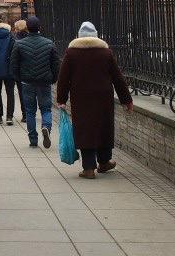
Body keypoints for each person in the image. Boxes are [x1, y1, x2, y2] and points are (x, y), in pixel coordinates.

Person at [56, 21, 134, 179]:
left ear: (79, 36)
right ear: (96, 35)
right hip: (103, 97)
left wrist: (61, 99)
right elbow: (117, 78)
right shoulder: (106, 53)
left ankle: (89, 168)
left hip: (81, 98)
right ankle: (104, 162)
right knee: (103, 127)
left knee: (85, 129)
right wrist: (127, 99)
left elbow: (63, 78)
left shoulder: (71, 53)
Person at [10, 15, 59, 149]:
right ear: (40, 28)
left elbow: (13, 65)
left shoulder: (19, 44)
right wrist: (53, 78)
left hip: (27, 82)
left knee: (30, 111)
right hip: (44, 81)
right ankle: (46, 127)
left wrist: (19, 79)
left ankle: (33, 139)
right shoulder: (49, 43)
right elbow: (56, 64)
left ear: (27, 28)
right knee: (46, 108)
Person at [12, 20, 29, 122]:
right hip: (31, 68)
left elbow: (14, 58)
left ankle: (25, 114)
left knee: (22, 93)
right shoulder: (31, 37)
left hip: (20, 70)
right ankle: (31, 111)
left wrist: (14, 73)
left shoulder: (15, 39)